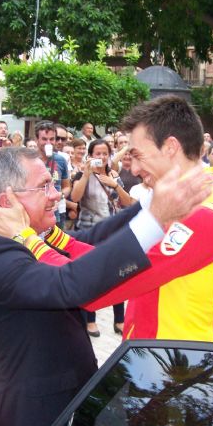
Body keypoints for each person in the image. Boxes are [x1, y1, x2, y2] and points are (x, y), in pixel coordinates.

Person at [0, 146, 213, 426]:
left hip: (67, 404)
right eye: (44, 187)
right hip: (34, 418)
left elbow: (93, 240)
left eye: (53, 184)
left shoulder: (23, 235)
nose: (56, 194)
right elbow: (70, 284)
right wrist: (155, 220)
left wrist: (153, 201)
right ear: (8, 201)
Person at [68, 95, 213, 342]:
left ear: (171, 147)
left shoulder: (201, 215)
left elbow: (102, 287)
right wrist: (53, 240)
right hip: (155, 354)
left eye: (138, 155)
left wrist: (34, 245)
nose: (134, 169)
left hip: (170, 361)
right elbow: (112, 256)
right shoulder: (187, 200)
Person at [70, 139, 131, 336]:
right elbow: (75, 197)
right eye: (98, 153)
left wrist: (115, 185)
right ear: (90, 155)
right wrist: (86, 174)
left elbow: (126, 202)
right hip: (89, 232)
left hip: (113, 231)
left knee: (117, 275)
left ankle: (119, 319)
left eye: (105, 153)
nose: (102, 157)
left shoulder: (114, 175)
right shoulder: (82, 175)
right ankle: (90, 320)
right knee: (91, 276)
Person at [34, 121, 70, 228]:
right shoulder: (29, 159)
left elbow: (67, 186)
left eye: (52, 139)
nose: (48, 143)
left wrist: (60, 195)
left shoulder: (61, 160)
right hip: (35, 214)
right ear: (36, 140)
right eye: (44, 139)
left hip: (56, 214)